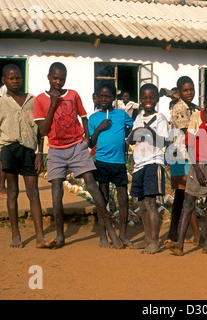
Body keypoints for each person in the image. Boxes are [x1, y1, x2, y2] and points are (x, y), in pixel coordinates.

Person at [34, 62, 123, 249]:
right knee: (56, 191)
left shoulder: (73, 95)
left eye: (62, 78)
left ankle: (110, 229)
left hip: (76, 146)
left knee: (92, 184)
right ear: (48, 77)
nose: (58, 82)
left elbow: (83, 115)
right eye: (55, 78)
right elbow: (42, 130)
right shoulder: (40, 100)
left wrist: (87, 136)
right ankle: (60, 235)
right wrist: (53, 103)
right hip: (56, 150)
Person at [0, 64, 55, 248]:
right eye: (11, 78)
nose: (15, 81)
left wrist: (39, 153)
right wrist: (2, 149)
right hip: (9, 150)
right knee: (13, 192)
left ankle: (40, 235)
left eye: (18, 77)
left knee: (33, 193)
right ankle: (15, 234)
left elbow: (40, 131)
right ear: (4, 80)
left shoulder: (33, 101)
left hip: (28, 151)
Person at [165, 88, 207, 256]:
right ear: (206, 104)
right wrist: (197, 169)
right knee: (189, 203)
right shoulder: (197, 117)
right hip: (198, 165)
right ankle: (180, 243)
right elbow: (190, 144)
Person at [88, 82, 134, 248]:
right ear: (97, 97)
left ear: (114, 98)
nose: (104, 99)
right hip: (102, 162)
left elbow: (133, 126)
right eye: (101, 96)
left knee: (123, 200)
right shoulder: (94, 118)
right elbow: (90, 142)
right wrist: (99, 128)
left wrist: (128, 139)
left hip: (119, 162)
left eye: (107, 96)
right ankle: (103, 236)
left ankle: (123, 235)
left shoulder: (121, 115)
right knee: (103, 199)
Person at [127, 83, 169, 254]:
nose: (148, 100)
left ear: (157, 99)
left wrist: (148, 131)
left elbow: (164, 142)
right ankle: (146, 238)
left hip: (153, 163)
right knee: (142, 204)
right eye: (144, 98)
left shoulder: (161, 118)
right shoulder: (138, 117)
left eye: (151, 97)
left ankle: (154, 241)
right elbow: (130, 141)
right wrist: (134, 132)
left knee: (151, 203)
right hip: (139, 165)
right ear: (140, 100)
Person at [166, 76, 202, 246]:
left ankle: (173, 232)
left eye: (192, 89)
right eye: (186, 90)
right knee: (188, 195)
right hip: (182, 155)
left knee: (181, 195)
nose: (190, 92)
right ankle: (196, 234)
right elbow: (189, 132)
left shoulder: (188, 107)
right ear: (179, 92)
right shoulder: (180, 108)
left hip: (182, 155)